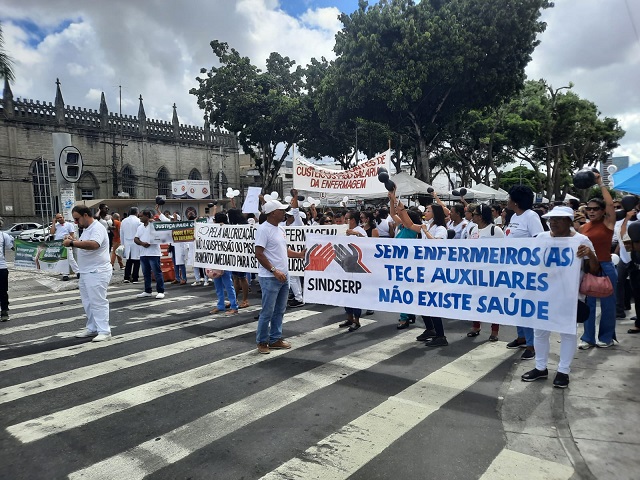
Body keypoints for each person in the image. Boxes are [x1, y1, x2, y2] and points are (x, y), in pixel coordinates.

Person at [521, 206, 599, 388]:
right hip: (543, 293)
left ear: (569, 222)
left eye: (558, 219)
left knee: (567, 332)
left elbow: (593, 269)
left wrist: (590, 254)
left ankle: (563, 371)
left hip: (569, 296)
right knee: (540, 331)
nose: (553, 222)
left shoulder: (581, 240)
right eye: (551, 219)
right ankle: (540, 368)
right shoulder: (541, 238)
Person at [254, 199, 306, 354]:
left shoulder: (280, 229)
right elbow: (259, 254)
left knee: (280, 310)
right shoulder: (263, 229)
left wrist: (299, 255)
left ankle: (275, 338)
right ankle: (262, 341)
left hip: (284, 275)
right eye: (282, 210)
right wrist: (274, 271)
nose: (284, 213)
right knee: (267, 311)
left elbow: (284, 249)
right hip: (270, 277)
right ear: (272, 213)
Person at [504, 185, 544, 360]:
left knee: (526, 307)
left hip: (526, 271)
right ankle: (521, 336)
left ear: (516, 201)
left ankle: (531, 344)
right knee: (516, 306)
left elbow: (539, 241)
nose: (507, 201)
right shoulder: (514, 216)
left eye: (509, 198)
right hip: (512, 269)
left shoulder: (531, 216)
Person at [63, 206, 113, 341]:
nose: (75, 222)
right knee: (88, 302)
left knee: (98, 302)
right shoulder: (86, 229)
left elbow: (94, 244)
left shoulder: (97, 228)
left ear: (85, 215)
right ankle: (93, 328)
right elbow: (83, 243)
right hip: (86, 271)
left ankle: (104, 331)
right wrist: (73, 240)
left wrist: (72, 243)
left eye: (77, 219)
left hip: (97, 271)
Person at [579, 174, 617, 349]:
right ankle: (588, 338)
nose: (592, 211)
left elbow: (610, 204)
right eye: (589, 209)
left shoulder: (608, 224)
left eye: (595, 209)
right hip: (589, 268)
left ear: (602, 211)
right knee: (589, 305)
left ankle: (607, 337)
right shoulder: (583, 227)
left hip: (606, 267)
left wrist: (600, 183)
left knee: (608, 306)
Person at [467, 203, 504, 340]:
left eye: (475, 214)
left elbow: (503, 252)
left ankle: (494, 331)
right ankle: (476, 326)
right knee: (476, 300)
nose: (472, 216)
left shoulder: (495, 231)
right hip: (475, 272)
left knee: (493, 302)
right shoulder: (473, 230)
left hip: (492, 273)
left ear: (481, 216)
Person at [134, 209, 165, 299]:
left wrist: (151, 243)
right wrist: (142, 243)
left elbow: (160, 235)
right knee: (146, 273)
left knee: (157, 272)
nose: (140, 217)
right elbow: (135, 238)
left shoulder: (154, 225)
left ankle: (160, 290)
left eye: (141, 216)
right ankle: (147, 290)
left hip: (154, 253)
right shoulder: (140, 227)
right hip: (143, 253)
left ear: (147, 216)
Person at [50, 212, 79, 280]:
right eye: (58, 218)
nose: (59, 219)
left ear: (63, 217)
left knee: (70, 258)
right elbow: (52, 232)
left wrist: (70, 240)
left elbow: (72, 234)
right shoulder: (56, 225)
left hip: (66, 243)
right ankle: (65, 274)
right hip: (58, 244)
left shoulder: (69, 225)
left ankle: (77, 272)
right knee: (62, 259)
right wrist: (53, 223)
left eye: (60, 217)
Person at [120, 207, 141, 284]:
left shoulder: (124, 221)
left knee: (128, 261)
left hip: (127, 242)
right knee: (137, 261)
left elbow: (121, 233)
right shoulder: (138, 221)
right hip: (136, 242)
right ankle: (135, 278)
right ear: (136, 213)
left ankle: (126, 277)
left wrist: (122, 244)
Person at [0, 222, 14, 321]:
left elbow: (12, 247)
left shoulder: (4, 236)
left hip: (1, 267)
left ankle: (4, 311)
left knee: (3, 291)